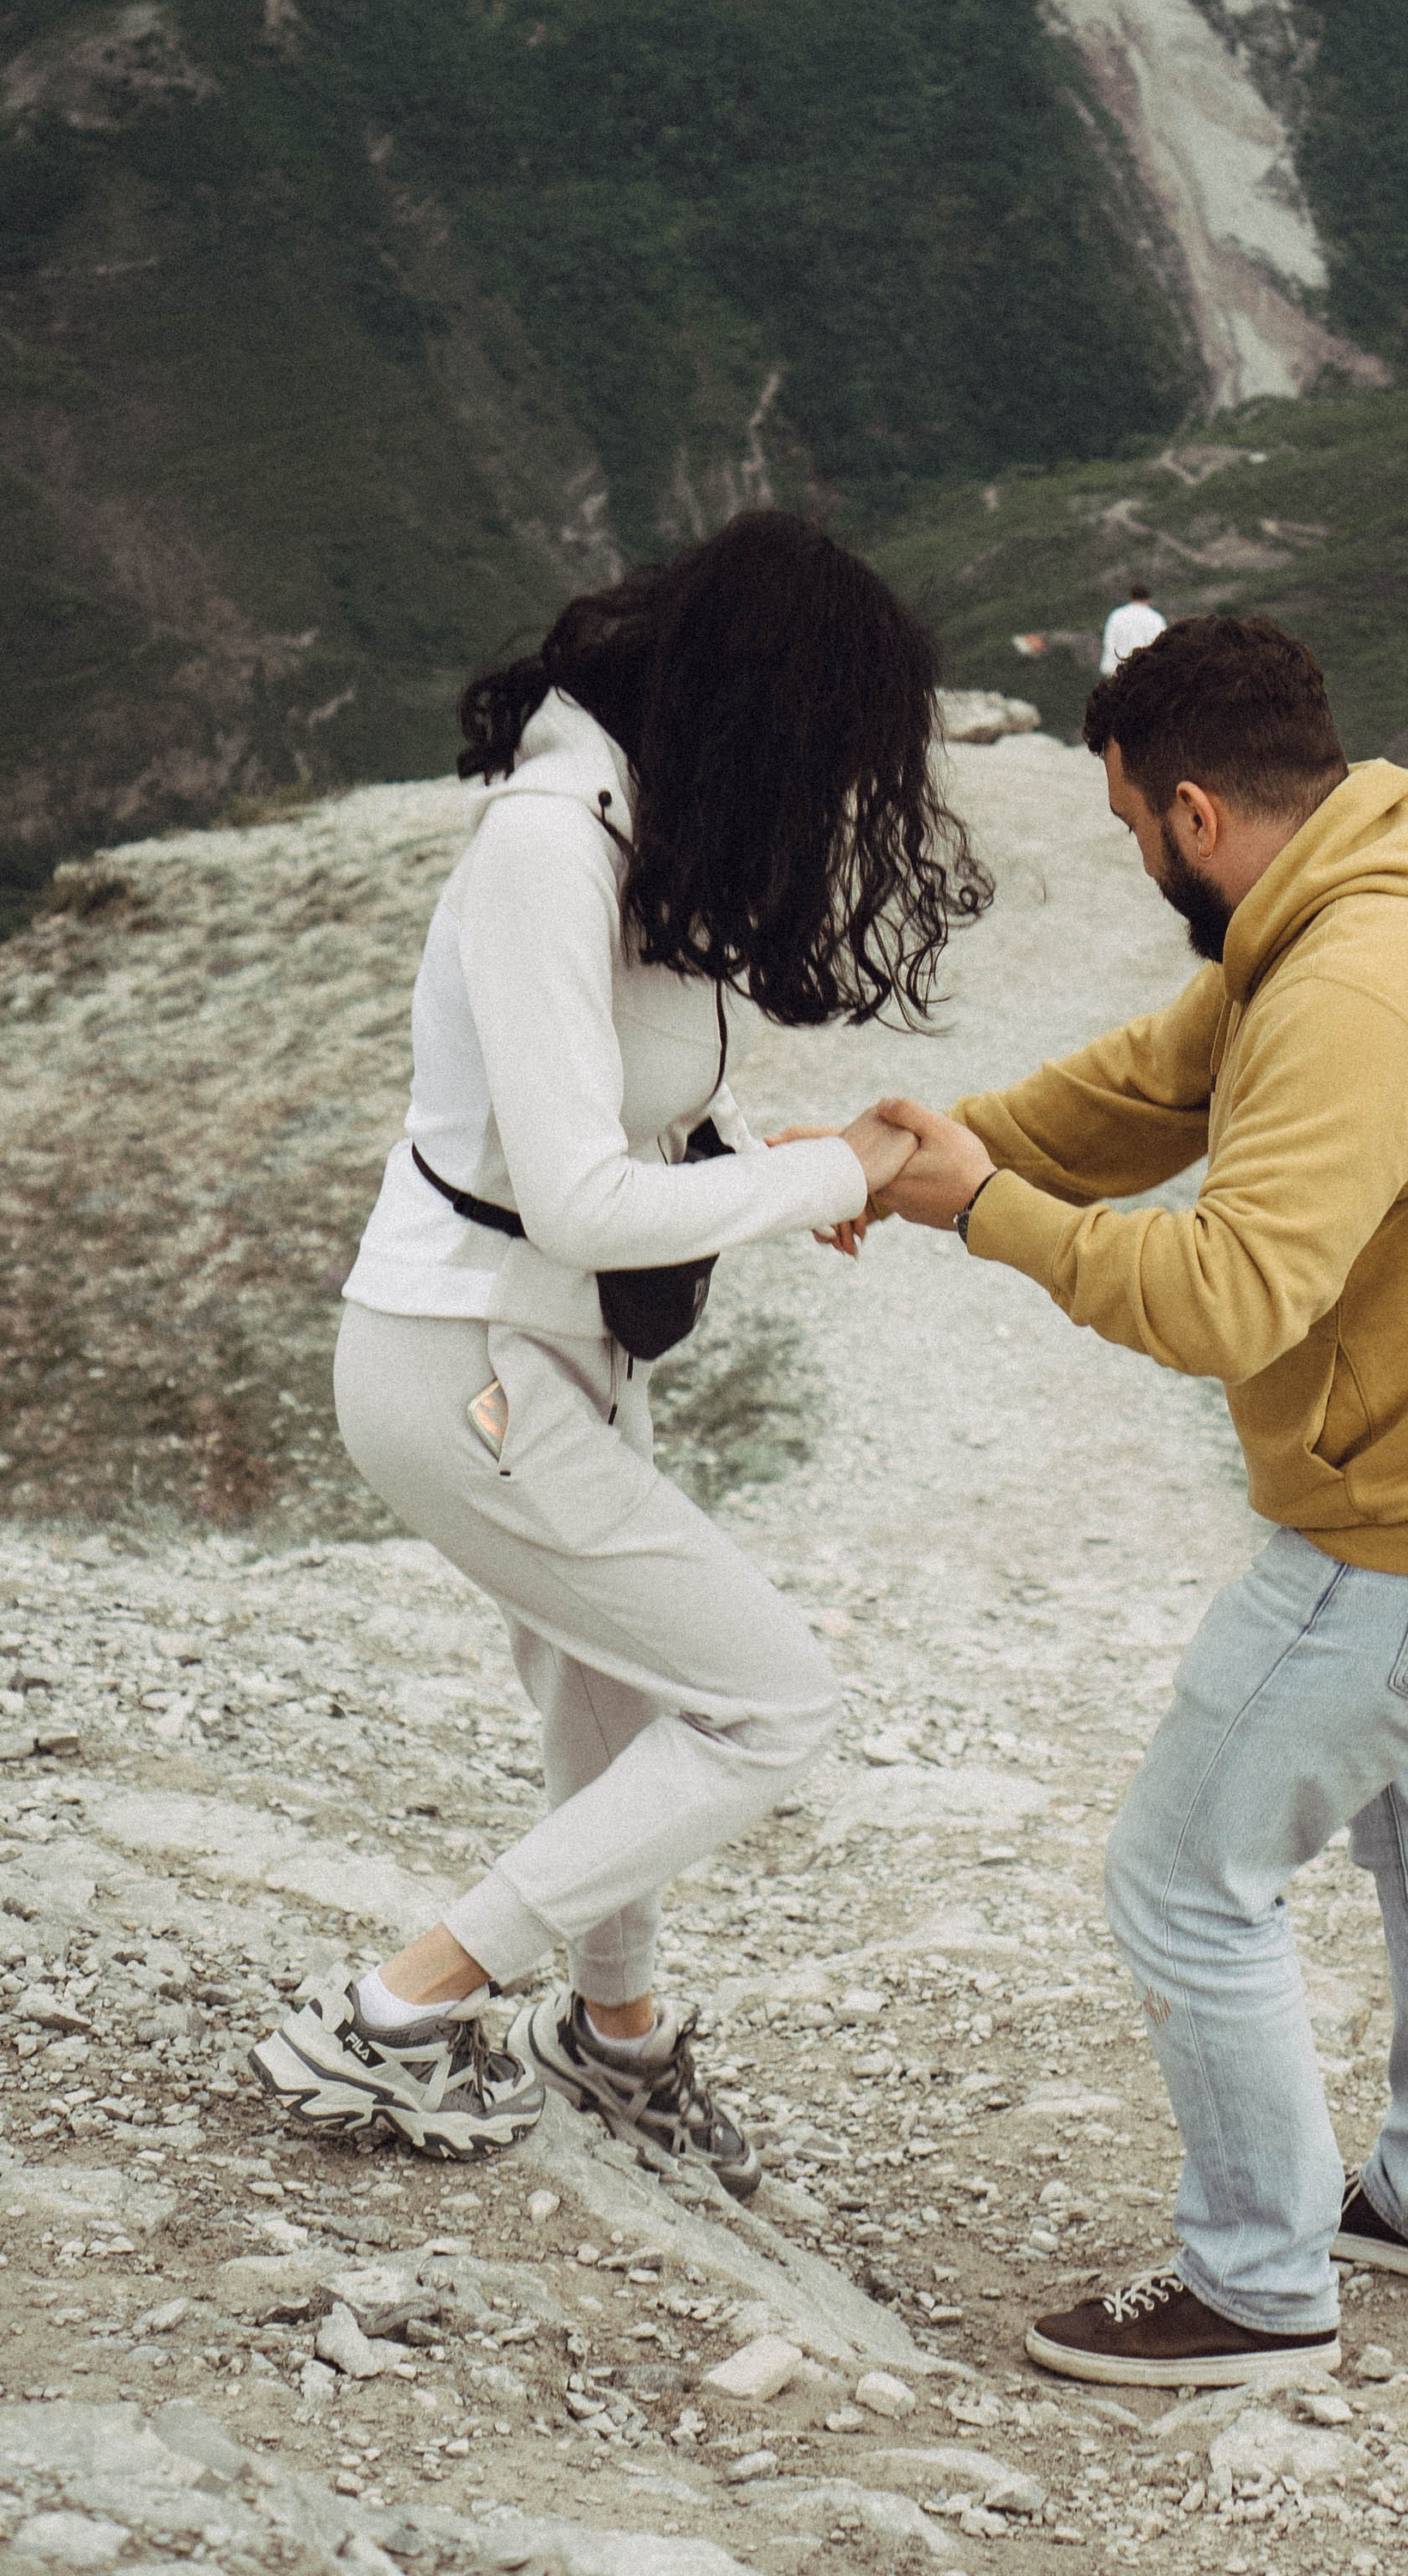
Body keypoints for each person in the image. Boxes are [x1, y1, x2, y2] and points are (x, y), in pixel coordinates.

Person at [868, 614, 1408, 2386]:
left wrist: (986, 1214)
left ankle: (1259, 2285)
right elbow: (1149, 1087)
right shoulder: (1361, 905)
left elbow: (1224, 1298)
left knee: (1183, 1876)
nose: (1139, 861)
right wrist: (935, 1145)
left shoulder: (1347, 994)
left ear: (1190, 811)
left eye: (1132, 826)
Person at [250, 513, 985, 2178]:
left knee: (610, 1697)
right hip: (463, 1360)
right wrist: (829, 1176)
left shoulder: (629, 815)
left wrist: (751, 1152)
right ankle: (389, 2016)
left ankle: (617, 2035)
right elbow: (575, 1200)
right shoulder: (544, 844)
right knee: (769, 1707)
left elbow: (612, 1095)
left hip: (543, 1357)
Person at [1099, 582, 1166, 677]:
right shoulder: (1156, 618)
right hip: (1144, 672)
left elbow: (1109, 642)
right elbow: (1161, 646)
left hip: (1116, 670)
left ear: (1131, 597)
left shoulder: (1117, 615)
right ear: (1148, 599)